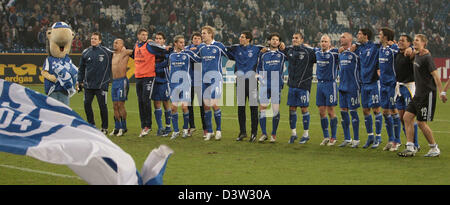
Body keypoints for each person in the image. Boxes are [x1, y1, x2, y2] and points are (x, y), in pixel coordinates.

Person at [398, 34, 445, 157]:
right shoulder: (417, 55)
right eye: (414, 40)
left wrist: (442, 92)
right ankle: (410, 147)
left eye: (417, 40)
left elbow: (435, 75)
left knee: (421, 123)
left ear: (424, 43)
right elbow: (410, 52)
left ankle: (434, 148)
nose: (414, 42)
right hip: (417, 94)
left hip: (427, 94)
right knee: (407, 117)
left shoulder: (427, 57)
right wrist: (410, 50)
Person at [227, 31, 263, 142]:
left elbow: (267, 48)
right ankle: (242, 132)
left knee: (253, 108)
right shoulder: (236, 49)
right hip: (240, 81)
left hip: (252, 81)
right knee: (241, 108)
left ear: (248, 39)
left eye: (242, 37)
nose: (240, 38)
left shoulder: (256, 49)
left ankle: (254, 133)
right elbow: (225, 50)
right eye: (240, 36)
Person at [131, 28, 168, 137]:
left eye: (146, 35)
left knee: (146, 100)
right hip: (138, 76)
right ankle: (143, 125)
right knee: (140, 101)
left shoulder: (150, 45)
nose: (144, 37)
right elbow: (134, 55)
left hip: (148, 76)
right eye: (142, 35)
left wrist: (167, 48)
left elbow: (163, 49)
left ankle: (148, 125)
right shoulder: (136, 45)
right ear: (138, 36)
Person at [281, 32, 316, 144]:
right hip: (292, 85)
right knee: (292, 109)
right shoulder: (289, 50)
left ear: (302, 40)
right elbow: (281, 48)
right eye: (293, 38)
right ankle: (293, 134)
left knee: (304, 108)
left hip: (303, 85)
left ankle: (306, 134)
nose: (294, 39)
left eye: (296, 38)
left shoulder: (309, 52)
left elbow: (321, 55)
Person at [197, 26, 229, 141]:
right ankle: (210, 131)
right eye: (202, 33)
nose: (202, 35)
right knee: (206, 106)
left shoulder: (219, 46)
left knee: (214, 104)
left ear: (210, 34)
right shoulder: (201, 47)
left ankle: (219, 130)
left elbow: (230, 55)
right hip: (204, 79)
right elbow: (193, 55)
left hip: (216, 79)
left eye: (204, 33)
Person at [78, 32, 113, 135]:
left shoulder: (107, 52)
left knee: (103, 106)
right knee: (87, 104)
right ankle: (91, 125)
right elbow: (81, 68)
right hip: (88, 85)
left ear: (100, 41)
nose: (93, 40)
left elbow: (119, 55)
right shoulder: (85, 52)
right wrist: (80, 81)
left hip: (101, 85)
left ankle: (104, 127)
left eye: (95, 39)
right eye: (92, 38)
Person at [354, 28, 383, 149]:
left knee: (376, 109)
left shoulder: (375, 46)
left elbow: (387, 44)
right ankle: (370, 136)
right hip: (363, 84)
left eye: (359, 34)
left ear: (366, 36)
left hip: (374, 82)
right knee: (365, 110)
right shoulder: (359, 48)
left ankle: (378, 136)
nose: (357, 35)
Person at [168, 35, 200, 140]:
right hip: (174, 85)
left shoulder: (188, 54)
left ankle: (185, 129)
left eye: (183, 42)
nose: (183, 44)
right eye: (180, 42)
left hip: (186, 84)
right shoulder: (171, 55)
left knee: (184, 107)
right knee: (173, 108)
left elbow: (199, 60)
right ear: (175, 44)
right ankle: (176, 130)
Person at [256, 33, 286, 143]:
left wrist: (284, 47)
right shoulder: (263, 54)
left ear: (279, 42)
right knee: (262, 109)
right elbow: (258, 67)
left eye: (277, 40)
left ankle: (273, 134)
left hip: (276, 84)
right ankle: (264, 133)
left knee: (275, 110)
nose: (274, 41)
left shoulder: (282, 54)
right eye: (273, 39)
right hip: (264, 85)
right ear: (269, 41)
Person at [377, 27, 402, 151]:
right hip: (383, 84)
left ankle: (397, 141)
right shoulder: (381, 48)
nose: (378, 35)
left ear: (386, 36)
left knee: (393, 111)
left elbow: (403, 53)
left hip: (392, 84)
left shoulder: (393, 49)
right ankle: (390, 139)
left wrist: (396, 45)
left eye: (380, 34)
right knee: (385, 112)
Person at [394, 34, 419, 151]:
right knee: (401, 117)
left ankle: (415, 144)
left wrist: (412, 49)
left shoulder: (410, 53)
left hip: (409, 87)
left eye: (403, 41)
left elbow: (416, 53)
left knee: (408, 117)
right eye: (399, 40)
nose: (400, 42)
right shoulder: (398, 53)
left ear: (409, 43)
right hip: (399, 87)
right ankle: (410, 143)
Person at [313, 34, 339, 146]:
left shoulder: (334, 53)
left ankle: (333, 137)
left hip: (330, 84)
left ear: (330, 43)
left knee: (330, 111)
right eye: (322, 41)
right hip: (319, 85)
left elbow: (345, 49)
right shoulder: (317, 53)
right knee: (321, 111)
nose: (323, 43)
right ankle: (326, 136)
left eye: (325, 41)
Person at [337, 32, 361, 148]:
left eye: (344, 36)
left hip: (353, 87)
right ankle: (347, 138)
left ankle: (356, 139)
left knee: (353, 112)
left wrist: (356, 45)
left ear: (351, 39)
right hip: (342, 87)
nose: (341, 38)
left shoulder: (356, 52)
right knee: (343, 113)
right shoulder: (340, 53)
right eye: (341, 37)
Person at [109, 38, 133, 137]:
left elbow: (136, 51)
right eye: (114, 42)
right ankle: (117, 127)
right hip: (114, 82)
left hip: (122, 81)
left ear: (122, 44)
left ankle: (123, 127)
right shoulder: (112, 54)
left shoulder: (125, 53)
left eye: (117, 43)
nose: (115, 44)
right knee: (114, 105)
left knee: (120, 105)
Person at [185, 32, 206, 136]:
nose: (196, 40)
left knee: (203, 105)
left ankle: (205, 128)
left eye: (198, 38)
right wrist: (189, 50)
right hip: (190, 82)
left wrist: (192, 52)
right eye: (195, 38)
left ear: (201, 40)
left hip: (200, 81)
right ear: (192, 40)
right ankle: (191, 126)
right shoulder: (188, 48)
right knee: (189, 105)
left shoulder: (204, 48)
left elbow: (200, 59)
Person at [152, 32, 172, 137]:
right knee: (156, 103)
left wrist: (156, 66)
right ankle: (160, 127)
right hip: (155, 80)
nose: (158, 40)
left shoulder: (167, 50)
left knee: (166, 103)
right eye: (156, 38)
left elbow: (167, 62)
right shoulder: (152, 50)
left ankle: (168, 126)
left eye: (160, 38)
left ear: (164, 40)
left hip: (164, 80)